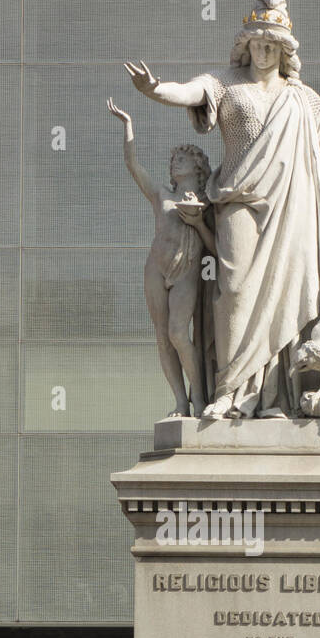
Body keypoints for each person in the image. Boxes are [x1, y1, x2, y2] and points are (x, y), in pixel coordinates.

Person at [125, 0, 320, 419]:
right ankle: (229, 392)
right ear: (246, 43)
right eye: (257, 42)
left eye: (272, 44)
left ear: (284, 48)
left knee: (289, 294)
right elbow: (190, 92)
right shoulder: (225, 84)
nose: (265, 50)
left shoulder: (305, 98)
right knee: (234, 290)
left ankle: (273, 397)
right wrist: (156, 89)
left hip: (293, 208)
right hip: (238, 200)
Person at [107, 98, 215, 417]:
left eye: (182, 158)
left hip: (187, 270)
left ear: (197, 167)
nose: (175, 162)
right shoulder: (162, 195)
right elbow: (133, 165)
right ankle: (180, 403)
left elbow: (216, 247)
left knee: (179, 333)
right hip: (156, 267)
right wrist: (128, 126)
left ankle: (198, 399)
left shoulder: (209, 201)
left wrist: (197, 223)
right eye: (173, 159)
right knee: (162, 337)